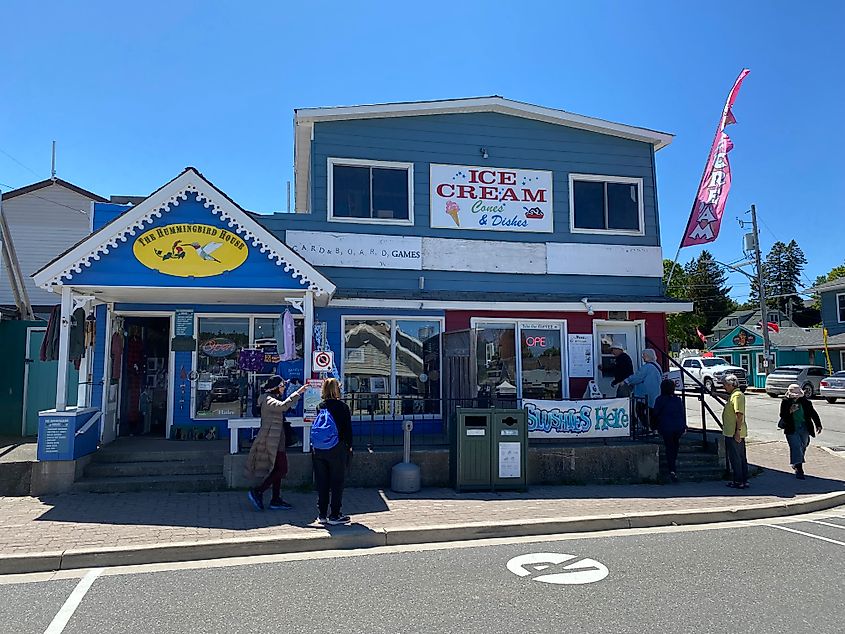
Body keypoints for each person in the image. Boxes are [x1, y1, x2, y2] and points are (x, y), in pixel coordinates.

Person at [245, 376, 307, 511]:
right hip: (271, 441)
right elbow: (283, 407)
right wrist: (298, 393)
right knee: (282, 469)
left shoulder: (271, 398)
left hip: (278, 440)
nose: (283, 388)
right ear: (275, 387)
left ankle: (276, 499)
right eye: (282, 385)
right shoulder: (267, 399)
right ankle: (258, 491)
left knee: (277, 470)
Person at [312, 378, 353, 526]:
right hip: (337, 448)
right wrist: (349, 447)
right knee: (337, 482)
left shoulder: (320, 406)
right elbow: (347, 430)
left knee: (322, 482)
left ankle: (322, 514)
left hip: (319, 449)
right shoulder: (342, 407)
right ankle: (335, 514)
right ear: (337, 389)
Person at [779, 383, 823, 479]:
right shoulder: (785, 402)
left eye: (797, 396)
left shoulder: (805, 402)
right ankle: (799, 468)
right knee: (796, 446)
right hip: (791, 427)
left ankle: (796, 462)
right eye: (794, 396)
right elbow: (782, 415)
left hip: (804, 427)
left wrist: (818, 425)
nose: (796, 398)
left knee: (804, 444)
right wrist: (790, 411)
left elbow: (813, 413)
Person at [653, 379, 687, 482]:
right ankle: (672, 467)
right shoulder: (677, 399)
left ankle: (672, 469)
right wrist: (685, 426)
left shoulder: (660, 400)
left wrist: (654, 426)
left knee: (669, 447)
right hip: (678, 427)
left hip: (666, 427)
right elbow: (682, 413)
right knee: (675, 446)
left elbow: (655, 414)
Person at [623, 348, 662, 430]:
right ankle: (654, 428)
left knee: (640, 410)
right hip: (656, 392)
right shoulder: (657, 366)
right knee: (652, 411)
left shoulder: (646, 367)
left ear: (648, 356)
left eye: (644, 355)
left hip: (644, 394)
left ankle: (647, 427)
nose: (643, 357)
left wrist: (626, 381)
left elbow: (637, 377)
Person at [722, 374, 749, 489]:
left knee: (736, 458)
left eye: (725, 385)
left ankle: (739, 481)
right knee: (740, 457)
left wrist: (737, 431)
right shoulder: (733, 395)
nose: (724, 387)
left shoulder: (737, 396)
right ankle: (742, 480)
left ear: (730, 384)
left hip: (734, 432)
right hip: (732, 431)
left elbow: (739, 414)